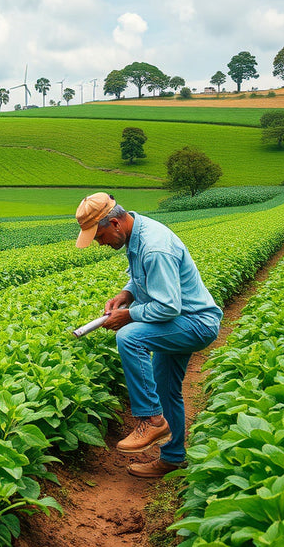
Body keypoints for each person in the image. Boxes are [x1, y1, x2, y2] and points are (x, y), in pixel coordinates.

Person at [74, 192, 222, 478]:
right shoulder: (137, 234)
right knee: (164, 386)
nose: (100, 243)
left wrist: (127, 315)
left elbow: (167, 306)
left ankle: (151, 420)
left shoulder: (154, 246)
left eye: (100, 235)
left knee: (129, 337)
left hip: (193, 322)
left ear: (115, 223)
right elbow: (140, 277)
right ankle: (172, 457)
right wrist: (125, 295)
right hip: (179, 321)